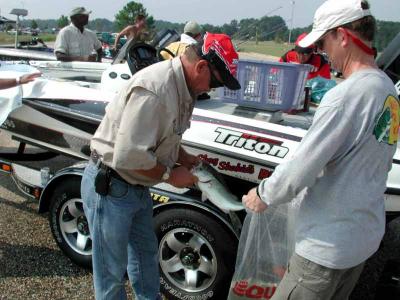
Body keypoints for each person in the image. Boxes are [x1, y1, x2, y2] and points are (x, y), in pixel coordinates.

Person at [242, 0, 399, 299]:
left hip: (325, 249)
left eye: (324, 42)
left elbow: (298, 171)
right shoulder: (387, 89)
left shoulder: (345, 96)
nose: (322, 52)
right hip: (362, 240)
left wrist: (262, 194)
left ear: (343, 36)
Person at [81, 32, 240, 300]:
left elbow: (161, 137)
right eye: (214, 82)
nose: (211, 89)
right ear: (201, 66)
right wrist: (169, 175)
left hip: (137, 188)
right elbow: (128, 156)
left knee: (145, 257)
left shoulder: (182, 88)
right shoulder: (156, 89)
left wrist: (184, 156)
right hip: (112, 189)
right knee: (111, 273)